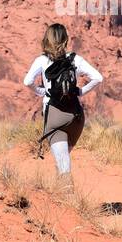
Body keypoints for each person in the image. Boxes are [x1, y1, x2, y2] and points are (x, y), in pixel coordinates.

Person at [22, 23, 103, 180]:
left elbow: (27, 82)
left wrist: (41, 91)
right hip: (76, 117)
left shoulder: (42, 60)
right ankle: (61, 196)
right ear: (65, 40)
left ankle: (67, 200)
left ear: (46, 40)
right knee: (62, 164)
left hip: (55, 115)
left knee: (63, 168)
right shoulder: (75, 59)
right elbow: (98, 78)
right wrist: (81, 91)